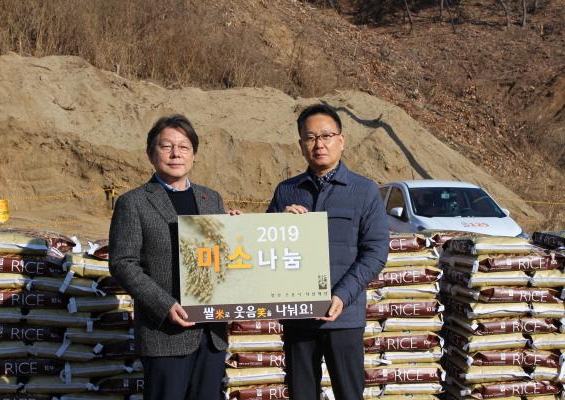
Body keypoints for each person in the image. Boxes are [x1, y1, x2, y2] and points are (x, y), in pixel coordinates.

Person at [109, 115, 238, 400]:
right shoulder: (134, 202)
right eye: (166, 146)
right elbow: (122, 263)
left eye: (184, 147)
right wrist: (164, 305)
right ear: (150, 153)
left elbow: (223, 257)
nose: (175, 154)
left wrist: (238, 230)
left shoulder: (211, 199)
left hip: (211, 333)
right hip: (165, 334)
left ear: (194, 154)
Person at [267, 104, 389, 400]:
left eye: (326, 136)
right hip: (298, 315)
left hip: (343, 317)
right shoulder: (286, 191)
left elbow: (375, 251)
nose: (318, 144)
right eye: (310, 138)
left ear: (341, 140)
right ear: (301, 145)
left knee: (349, 393)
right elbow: (265, 247)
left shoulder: (364, 190)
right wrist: (280, 223)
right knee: (301, 393)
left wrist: (342, 295)